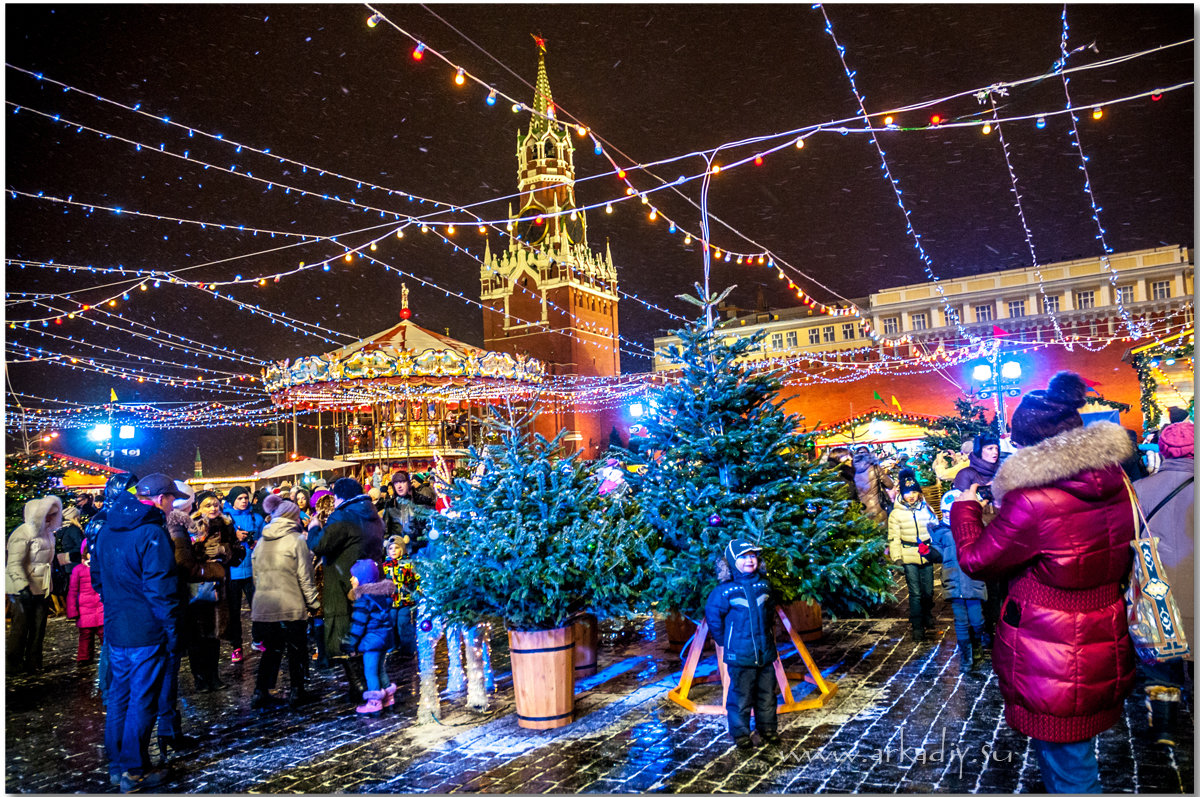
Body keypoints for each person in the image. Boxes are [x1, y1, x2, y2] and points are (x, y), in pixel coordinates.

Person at [950, 372, 1136, 794]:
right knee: (1072, 753)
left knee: (1068, 764)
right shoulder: (1115, 482)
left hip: (1051, 646)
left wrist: (964, 511)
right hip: (1102, 630)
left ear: (1027, 443)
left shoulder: (1034, 500)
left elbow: (978, 561)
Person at [92, 473, 183, 793]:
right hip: (146, 630)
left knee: (119, 698)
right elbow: (161, 589)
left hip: (118, 628)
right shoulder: (151, 533)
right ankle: (134, 770)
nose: (173, 504)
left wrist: (118, 606)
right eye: (171, 498)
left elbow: (98, 579)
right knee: (142, 701)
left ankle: (118, 766)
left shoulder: (106, 530)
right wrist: (170, 628)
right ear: (159, 499)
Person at [1131, 420, 1194, 746]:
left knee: (1162, 661)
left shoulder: (1141, 489)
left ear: (1164, 451)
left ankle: (1165, 727)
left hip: (1158, 585)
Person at [313, 477, 385, 703]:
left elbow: (320, 545)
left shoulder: (343, 515)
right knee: (366, 630)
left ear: (339, 496)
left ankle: (360, 686)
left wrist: (314, 528)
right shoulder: (372, 513)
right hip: (368, 578)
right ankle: (373, 682)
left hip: (344, 580)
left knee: (346, 633)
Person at [704, 539, 780, 750]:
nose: (750, 560)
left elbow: (769, 611)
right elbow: (714, 617)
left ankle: (768, 729)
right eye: (744, 557)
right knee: (740, 696)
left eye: (753, 556)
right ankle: (740, 733)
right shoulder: (725, 591)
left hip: (764, 653)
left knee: (767, 694)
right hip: (740, 655)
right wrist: (723, 641)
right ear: (731, 561)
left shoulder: (763, 585)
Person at [250, 496, 321, 710]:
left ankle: (260, 691)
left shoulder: (262, 541)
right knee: (296, 650)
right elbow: (305, 577)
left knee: (271, 650)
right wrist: (314, 604)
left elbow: (256, 576)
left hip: (265, 603)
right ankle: (297, 692)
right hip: (290, 603)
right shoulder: (297, 540)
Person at [188, 491, 241, 691]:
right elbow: (186, 556)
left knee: (214, 633)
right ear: (199, 507)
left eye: (216, 504)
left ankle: (213, 675)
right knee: (198, 634)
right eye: (208, 505)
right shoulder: (192, 525)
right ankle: (199, 677)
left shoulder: (227, 525)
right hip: (198, 584)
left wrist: (225, 550)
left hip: (219, 585)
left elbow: (238, 553)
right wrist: (200, 549)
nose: (213, 508)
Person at [929, 491, 988, 669]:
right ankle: (966, 656)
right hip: (953, 581)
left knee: (977, 621)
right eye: (945, 512)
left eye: (951, 512)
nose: (948, 516)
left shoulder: (976, 528)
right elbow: (938, 553)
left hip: (973, 581)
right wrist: (927, 551)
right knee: (961, 621)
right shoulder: (941, 532)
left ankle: (977, 645)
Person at [6, 495, 63, 673]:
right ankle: (13, 663)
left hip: (43, 587)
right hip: (23, 588)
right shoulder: (22, 533)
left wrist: (67, 559)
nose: (50, 518)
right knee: (21, 628)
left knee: (39, 627)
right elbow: (14, 563)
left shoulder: (48, 533)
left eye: (53, 515)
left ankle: (34, 661)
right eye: (47, 514)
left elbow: (48, 559)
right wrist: (22, 586)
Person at [886, 469, 940, 642]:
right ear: (902, 493)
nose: (911, 495)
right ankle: (917, 626)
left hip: (926, 554)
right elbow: (894, 538)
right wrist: (897, 559)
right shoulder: (896, 514)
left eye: (914, 492)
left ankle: (927, 614)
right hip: (908, 554)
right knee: (915, 592)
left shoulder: (926, 509)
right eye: (908, 492)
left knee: (928, 591)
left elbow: (936, 528)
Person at [342, 559, 397, 715]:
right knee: (381, 669)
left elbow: (358, 625)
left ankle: (374, 702)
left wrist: (350, 643)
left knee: (370, 672)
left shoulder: (364, 599)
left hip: (372, 641)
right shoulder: (381, 596)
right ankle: (388, 697)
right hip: (384, 639)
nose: (351, 579)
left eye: (354, 576)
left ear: (363, 579)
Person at [223, 485, 264, 663]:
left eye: (245, 498)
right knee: (234, 612)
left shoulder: (257, 517)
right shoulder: (225, 520)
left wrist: (258, 542)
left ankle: (257, 639)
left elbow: (265, 537)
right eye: (239, 498)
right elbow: (220, 543)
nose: (244, 501)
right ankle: (237, 647)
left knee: (258, 608)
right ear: (232, 500)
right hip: (233, 571)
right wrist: (234, 537)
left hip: (253, 570)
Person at [66, 540, 105, 664]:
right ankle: (83, 658)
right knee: (85, 635)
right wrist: (72, 610)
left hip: (100, 608)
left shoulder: (102, 568)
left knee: (104, 633)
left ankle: (107, 656)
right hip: (85, 610)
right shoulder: (79, 570)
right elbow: (72, 590)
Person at [382, 535, 419, 661]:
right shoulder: (385, 565)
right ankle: (393, 646)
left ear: (402, 549)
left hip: (405, 600)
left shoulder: (408, 564)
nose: (393, 550)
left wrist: (417, 591)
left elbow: (416, 579)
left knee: (403, 623)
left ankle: (408, 649)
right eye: (390, 548)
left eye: (396, 548)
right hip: (391, 601)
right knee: (391, 622)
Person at [382, 470, 434, 557]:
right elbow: (385, 531)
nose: (399, 486)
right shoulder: (390, 505)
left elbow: (429, 528)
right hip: (398, 553)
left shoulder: (422, 502)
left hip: (419, 552)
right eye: (396, 483)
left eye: (402, 482)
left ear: (408, 483)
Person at [851, 446, 894, 524]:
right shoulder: (875, 467)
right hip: (877, 507)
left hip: (859, 509)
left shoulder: (851, 469)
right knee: (881, 532)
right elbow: (890, 485)